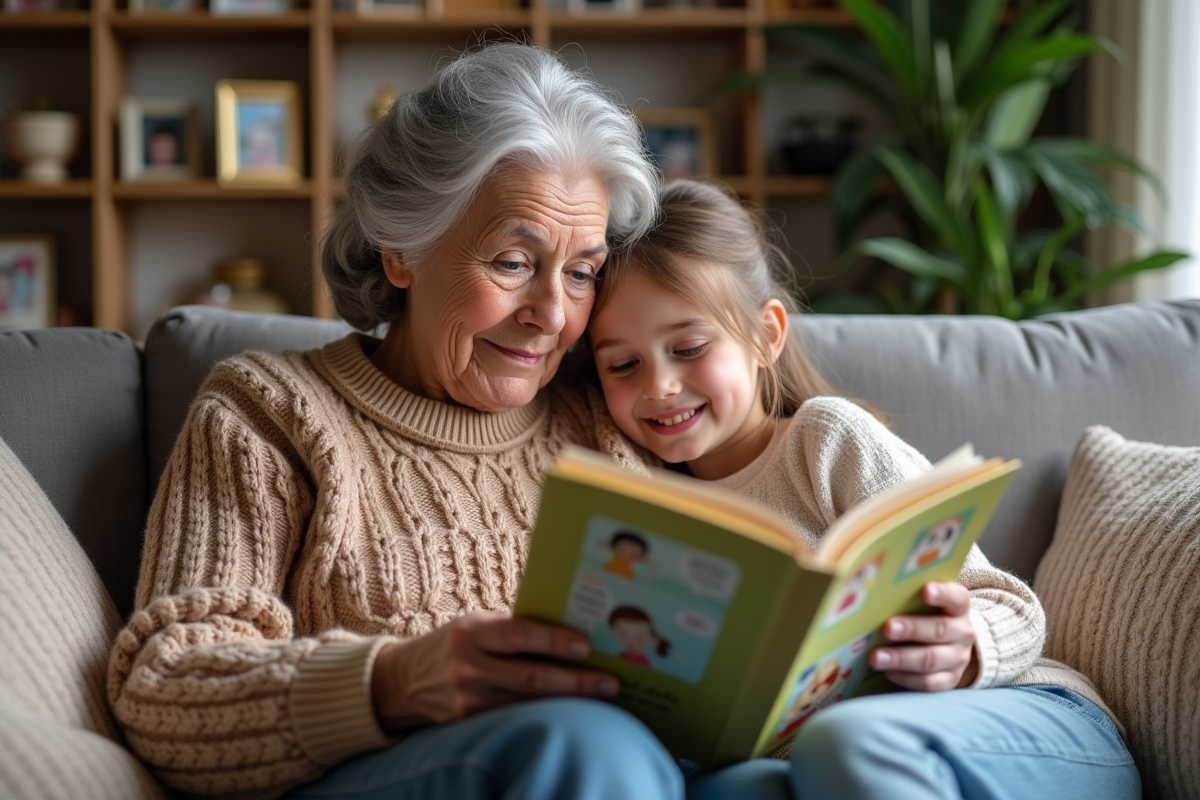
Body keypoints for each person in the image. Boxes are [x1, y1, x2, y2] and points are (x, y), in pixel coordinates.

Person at [107, 43, 686, 800]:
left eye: (581, 271)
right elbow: (165, 686)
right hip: (416, 774)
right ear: (401, 251)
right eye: (514, 261)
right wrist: (391, 680)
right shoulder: (268, 415)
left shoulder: (606, 407)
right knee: (580, 741)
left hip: (642, 769)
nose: (552, 314)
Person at [586, 179, 1141, 799]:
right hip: (830, 763)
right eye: (623, 365)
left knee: (848, 739)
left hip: (1026, 719)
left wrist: (969, 646)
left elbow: (1009, 604)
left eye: (688, 347)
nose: (659, 385)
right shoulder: (648, 500)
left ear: (766, 336)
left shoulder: (826, 440)